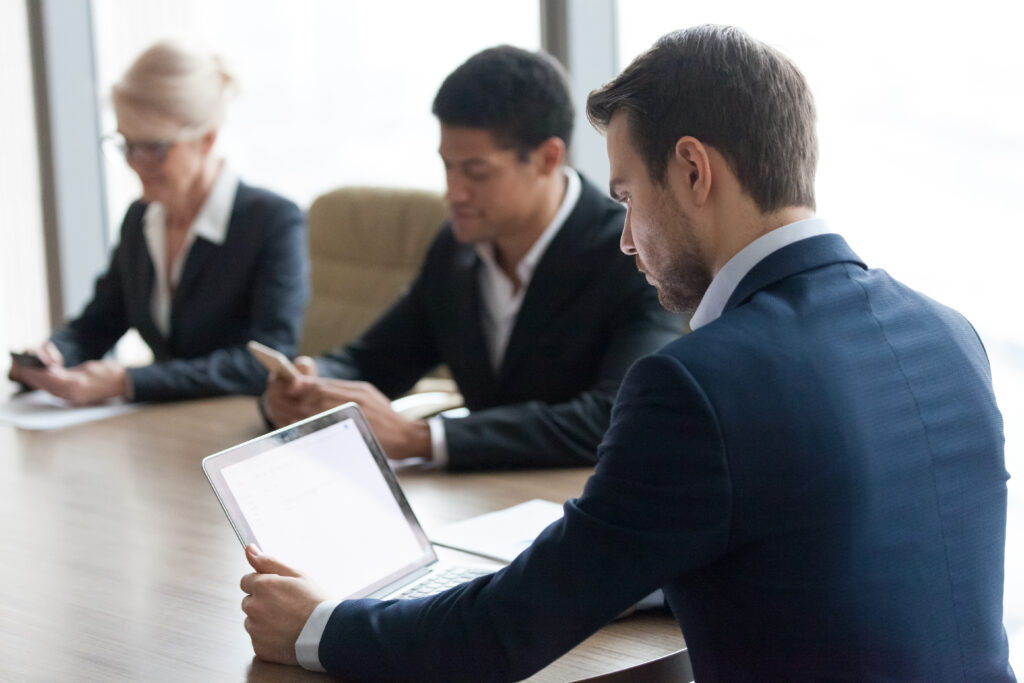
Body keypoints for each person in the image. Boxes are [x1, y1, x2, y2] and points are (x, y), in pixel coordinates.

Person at [239, 25, 1014, 681]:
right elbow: (826, 554)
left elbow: (504, 632)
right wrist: (627, 563)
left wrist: (317, 625)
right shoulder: (951, 332)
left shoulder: (697, 384)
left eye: (625, 195)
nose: (625, 236)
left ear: (692, 169)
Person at [260, 45, 681, 470]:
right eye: (447, 167)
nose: (454, 192)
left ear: (547, 158)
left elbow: (613, 415)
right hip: (475, 503)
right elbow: (377, 359)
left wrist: (420, 438)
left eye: (476, 172)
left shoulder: (632, 255)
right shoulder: (456, 249)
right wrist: (307, 384)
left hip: (583, 499)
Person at [9, 41, 309, 403]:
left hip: (228, 430)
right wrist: (53, 353)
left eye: (154, 147)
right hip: (157, 426)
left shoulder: (272, 222)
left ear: (206, 139)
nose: (135, 162)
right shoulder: (141, 219)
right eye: (126, 144)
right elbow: (100, 322)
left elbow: (264, 363)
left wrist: (126, 381)